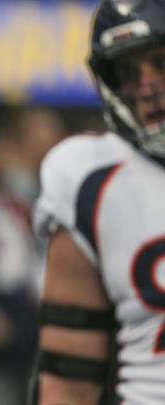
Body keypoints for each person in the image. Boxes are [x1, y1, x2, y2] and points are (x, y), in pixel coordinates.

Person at [31, 0, 165, 404]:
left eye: (160, 62)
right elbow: (68, 382)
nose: (147, 85)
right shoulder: (90, 178)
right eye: (128, 72)